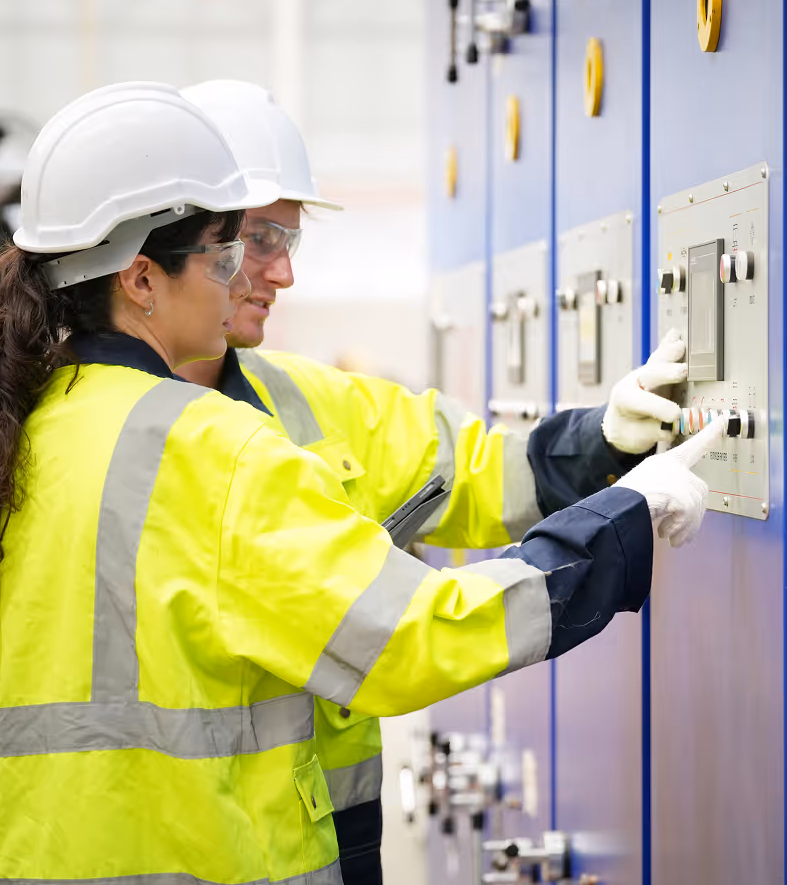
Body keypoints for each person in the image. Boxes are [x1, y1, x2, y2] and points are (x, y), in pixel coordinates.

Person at [0, 82, 721, 885]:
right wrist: (620, 524)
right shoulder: (207, 445)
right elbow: (412, 633)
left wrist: (604, 443)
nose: (258, 274)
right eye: (231, 249)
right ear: (139, 278)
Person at [175, 79, 699, 883]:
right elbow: (394, 634)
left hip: (320, 844)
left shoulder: (302, 399)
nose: (281, 275)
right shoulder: (152, 446)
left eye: (290, 241)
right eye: (257, 239)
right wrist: (618, 529)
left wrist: (605, 437)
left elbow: (478, 472)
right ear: (174, 239)